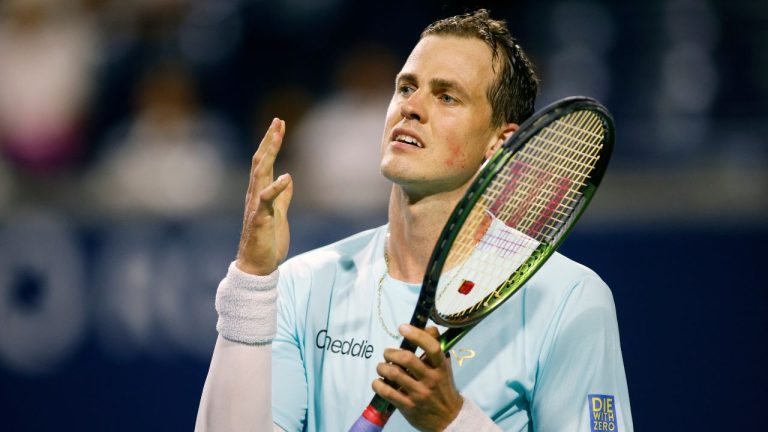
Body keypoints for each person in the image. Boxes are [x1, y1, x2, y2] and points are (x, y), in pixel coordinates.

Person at [196, 9, 633, 432]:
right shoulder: (301, 285)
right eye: (406, 88)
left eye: (446, 96)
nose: (412, 107)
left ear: (501, 143)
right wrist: (252, 278)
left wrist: (454, 420)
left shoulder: (569, 299)